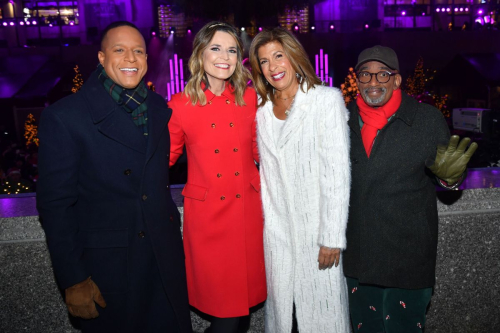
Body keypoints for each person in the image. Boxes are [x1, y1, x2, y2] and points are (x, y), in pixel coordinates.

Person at [37, 21, 192, 333]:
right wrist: (74, 279)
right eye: (119, 50)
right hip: (108, 268)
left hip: (163, 261)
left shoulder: (160, 109)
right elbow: (55, 206)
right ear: (101, 57)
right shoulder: (66, 116)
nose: (131, 59)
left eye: (138, 51)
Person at [343, 45, 477, 333]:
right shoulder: (340, 120)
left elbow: (446, 181)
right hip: (358, 258)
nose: (374, 82)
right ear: (357, 79)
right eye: (366, 75)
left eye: (383, 74)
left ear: (397, 80)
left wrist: (450, 179)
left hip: (407, 258)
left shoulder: (426, 120)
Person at [249, 28, 351, 333]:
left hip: (317, 233)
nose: (273, 66)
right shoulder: (261, 110)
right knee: (283, 318)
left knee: (323, 315)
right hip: (277, 233)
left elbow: (337, 173)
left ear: (294, 56)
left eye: (279, 56)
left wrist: (331, 236)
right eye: (264, 61)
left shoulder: (325, 100)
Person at [168, 22, 266, 333]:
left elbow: (261, 152)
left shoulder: (250, 98)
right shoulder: (180, 104)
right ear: (199, 54)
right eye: (215, 48)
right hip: (209, 221)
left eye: (232, 50)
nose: (224, 56)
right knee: (228, 315)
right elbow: (162, 161)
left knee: (242, 313)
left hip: (248, 215)